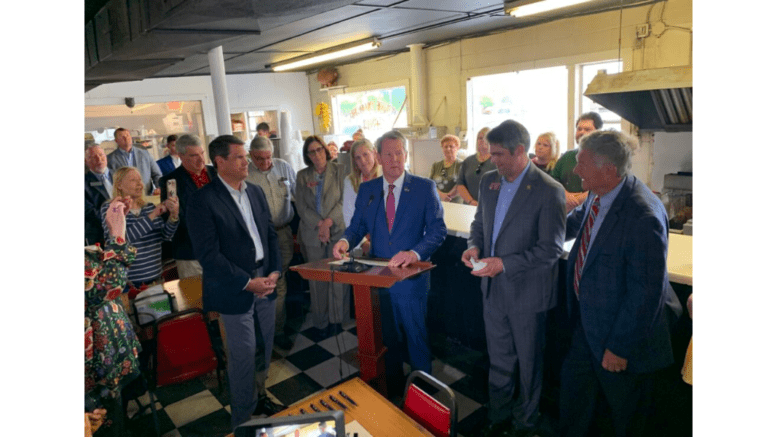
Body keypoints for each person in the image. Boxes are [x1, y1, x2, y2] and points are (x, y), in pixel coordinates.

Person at [558, 130, 681, 437]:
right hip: (587, 327)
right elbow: (574, 225)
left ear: (608, 169)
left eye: (581, 163)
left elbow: (646, 293)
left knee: (627, 417)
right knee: (574, 400)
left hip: (620, 339)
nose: (574, 170)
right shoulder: (599, 194)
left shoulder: (642, 214)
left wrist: (619, 348)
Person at [461, 120, 566, 436]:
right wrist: (473, 245)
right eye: (491, 154)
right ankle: (499, 414)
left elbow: (550, 250)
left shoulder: (549, 190)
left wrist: (503, 264)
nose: (493, 160)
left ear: (521, 151)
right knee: (499, 361)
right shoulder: (489, 182)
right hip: (492, 291)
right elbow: (479, 223)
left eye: (499, 154)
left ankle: (525, 422)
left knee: (529, 366)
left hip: (528, 296)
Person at [333, 130, 447, 390]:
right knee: (388, 337)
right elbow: (357, 225)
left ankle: (423, 392)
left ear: (406, 155)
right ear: (378, 157)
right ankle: (393, 385)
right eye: (389, 154)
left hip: (411, 279)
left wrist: (414, 253)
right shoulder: (369, 189)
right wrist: (344, 241)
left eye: (399, 153)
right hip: (379, 279)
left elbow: (438, 230)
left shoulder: (423, 187)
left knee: (416, 337)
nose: (395, 159)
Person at [186, 135, 285, 431]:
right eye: (240, 157)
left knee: (265, 347)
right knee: (243, 355)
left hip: (265, 282)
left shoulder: (253, 191)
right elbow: (208, 255)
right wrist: (246, 282)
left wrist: (275, 271)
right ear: (221, 162)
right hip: (235, 288)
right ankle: (242, 421)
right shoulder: (203, 200)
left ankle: (260, 397)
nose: (247, 162)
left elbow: (270, 234)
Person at [85, 197, 141, 437]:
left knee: (118, 416)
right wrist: (117, 233)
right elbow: (109, 285)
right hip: (94, 371)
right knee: (106, 425)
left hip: (112, 355)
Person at [246, 135, 298, 350]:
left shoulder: (283, 167)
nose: (265, 163)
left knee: (280, 279)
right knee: (261, 282)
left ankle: (277, 330)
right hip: (258, 238)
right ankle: (263, 332)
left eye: (268, 158)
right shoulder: (245, 173)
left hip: (283, 232)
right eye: (259, 159)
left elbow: (297, 194)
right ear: (251, 156)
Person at [296, 135, 349, 334]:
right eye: (312, 151)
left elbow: (344, 201)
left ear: (326, 150)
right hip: (312, 232)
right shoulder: (302, 176)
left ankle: (337, 320)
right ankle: (321, 321)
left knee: (338, 276)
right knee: (317, 278)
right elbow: (301, 206)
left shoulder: (341, 170)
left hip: (337, 231)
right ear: (307, 155)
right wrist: (320, 225)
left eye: (319, 149)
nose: (317, 154)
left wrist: (328, 222)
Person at [101, 167, 179, 288]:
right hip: (128, 285)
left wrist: (173, 217)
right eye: (133, 180)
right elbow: (120, 242)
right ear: (119, 185)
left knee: (162, 307)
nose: (140, 184)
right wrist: (152, 216)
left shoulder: (149, 207)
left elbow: (165, 236)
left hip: (156, 279)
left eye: (140, 180)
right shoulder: (112, 208)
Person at [159, 134, 217, 279]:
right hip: (190, 252)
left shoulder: (216, 173)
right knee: (196, 298)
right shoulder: (170, 181)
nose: (201, 159)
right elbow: (174, 217)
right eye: (193, 155)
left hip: (220, 248)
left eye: (202, 153)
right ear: (180, 156)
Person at [551, 112, 602, 212]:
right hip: (564, 211)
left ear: (598, 133)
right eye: (579, 129)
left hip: (591, 213)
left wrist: (579, 199)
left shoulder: (606, 158)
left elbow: (606, 186)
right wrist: (565, 195)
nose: (581, 132)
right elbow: (552, 180)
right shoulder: (567, 156)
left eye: (587, 129)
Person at [107, 127, 163, 195]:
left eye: (127, 135)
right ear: (116, 141)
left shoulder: (145, 154)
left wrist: (159, 187)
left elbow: (157, 174)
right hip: (124, 199)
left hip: (146, 196)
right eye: (122, 136)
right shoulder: (110, 159)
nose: (126, 138)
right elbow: (110, 181)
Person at [343, 138, 381, 229]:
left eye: (365, 154)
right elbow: (349, 215)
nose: (363, 161)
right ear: (354, 161)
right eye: (358, 158)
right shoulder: (350, 181)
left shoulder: (389, 175)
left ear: (374, 153)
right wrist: (363, 241)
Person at [456, 127, 496, 206]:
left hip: (491, 208)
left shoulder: (498, 161)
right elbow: (460, 184)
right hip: (469, 206)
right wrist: (471, 201)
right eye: (480, 138)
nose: (482, 140)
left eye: (486, 138)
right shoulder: (468, 161)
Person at [85, 145, 113, 246]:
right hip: (99, 235)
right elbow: (88, 211)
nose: (99, 159)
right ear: (86, 161)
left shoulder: (120, 175)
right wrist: (113, 219)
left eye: (101, 155)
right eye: (93, 157)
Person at [429, 134, 463, 203]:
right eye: (445, 147)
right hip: (438, 202)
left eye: (451, 146)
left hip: (456, 204)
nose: (448, 149)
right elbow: (430, 184)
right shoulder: (436, 165)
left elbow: (462, 184)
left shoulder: (462, 165)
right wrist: (442, 195)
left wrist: (449, 196)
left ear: (457, 148)